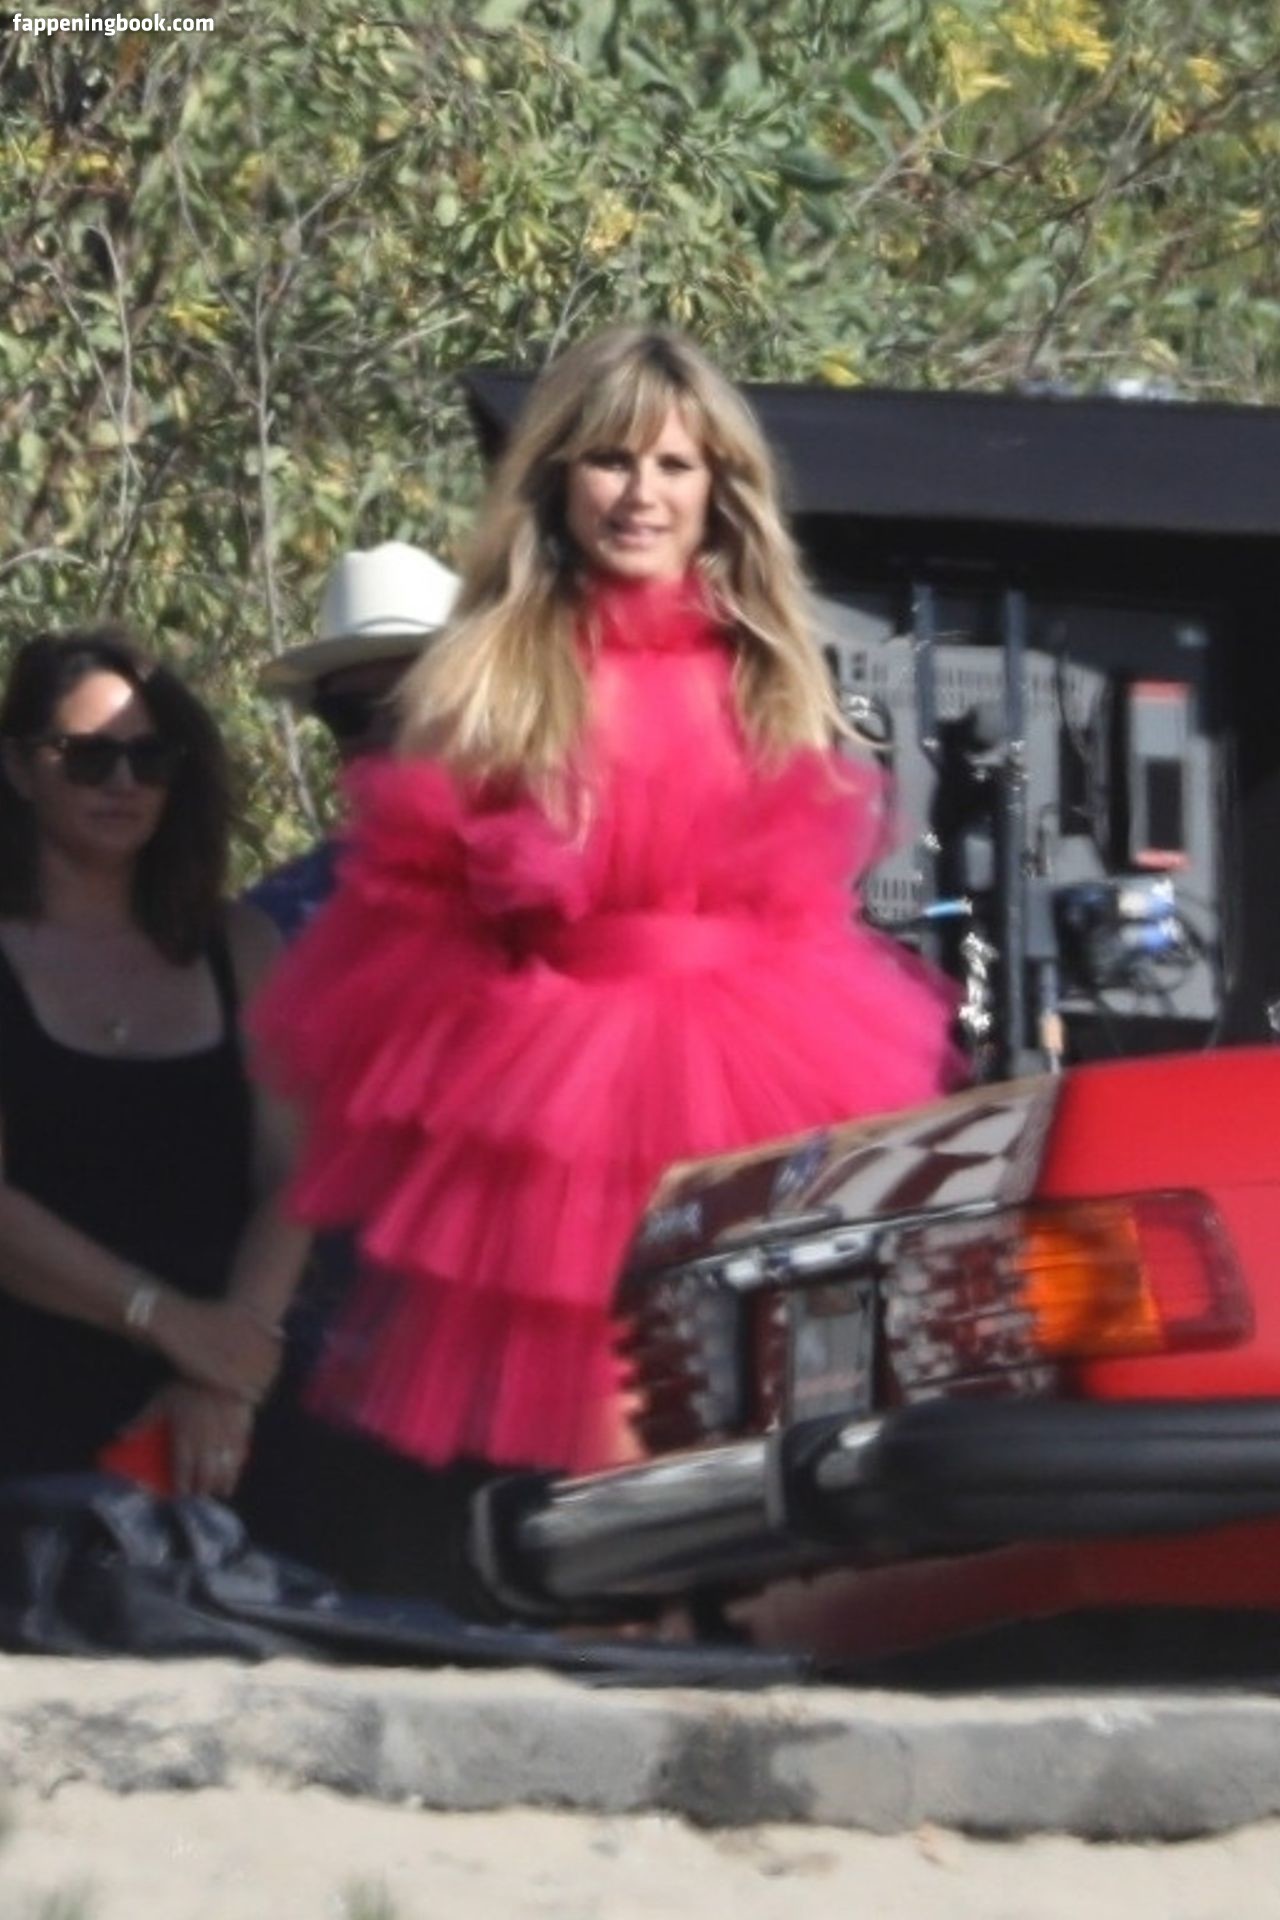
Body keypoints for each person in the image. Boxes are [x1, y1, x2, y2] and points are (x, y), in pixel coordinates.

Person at [253, 325, 960, 1485]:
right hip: (561, 1095)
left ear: (718, 489)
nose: (641, 494)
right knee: (605, 1439)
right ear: (558, 476)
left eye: (673, 464)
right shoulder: (489, 673)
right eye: (610, 460)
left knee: (758, 1419)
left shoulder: (766, 667)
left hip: (765, 1073)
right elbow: (404, 913)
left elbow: (799, 901)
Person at [0, 628, 307, 1498]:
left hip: (228, 1423)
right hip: (34, 1419)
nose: (124, 783)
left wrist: (230, 1358)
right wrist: (169, 1322)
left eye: (151, 757)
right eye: (87, 757)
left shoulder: (243, 945)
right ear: (18, 769)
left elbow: (295, 1176)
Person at [248, 541, 459, 939]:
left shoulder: (542, 894)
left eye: (405, 706)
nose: (378, 734)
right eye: (347, 714)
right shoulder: (273, 921)